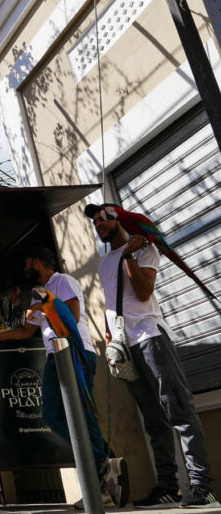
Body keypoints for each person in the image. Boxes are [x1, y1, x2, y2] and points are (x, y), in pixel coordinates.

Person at [87, 203, 217, 508]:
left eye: (103, 218)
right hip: (125, 349)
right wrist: (109, 338)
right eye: (94, 222)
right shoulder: (104, 263)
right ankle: (168, 486)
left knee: (179, 411)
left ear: (119, 220)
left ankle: (201, 485)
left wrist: (130, 254)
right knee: (153, 419)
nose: (98, 224)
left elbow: (144, 293)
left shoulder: (145, 252)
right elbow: (112, 303)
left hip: (151, 339)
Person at [0, 247, 128, 507]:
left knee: (83, 412)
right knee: (53, 415)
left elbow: (71, 318)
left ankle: (101, 478)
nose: (25, 269)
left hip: (74, 351)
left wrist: (45, 308)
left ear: (38, 261)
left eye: (27, 262)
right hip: (56, 357)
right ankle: (104, 465)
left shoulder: (61, 282)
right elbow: (26, 331)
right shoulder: (39, 296)